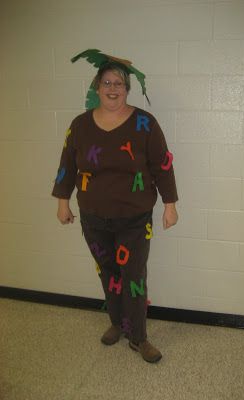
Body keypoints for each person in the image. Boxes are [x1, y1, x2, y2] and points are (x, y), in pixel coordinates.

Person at [52, 50, 178, 363]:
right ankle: (116, 323)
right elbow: (67, 164)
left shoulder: (145, 123)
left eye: (119, 83)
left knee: (133, 276)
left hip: (134, 219)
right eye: (107, 82)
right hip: (93, 218)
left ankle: (138, 337)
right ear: (97, 87)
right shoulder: (80, 125)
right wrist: (62, 202)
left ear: (127, 89)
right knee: (108, 273)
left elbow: (162, 164)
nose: (113, 88)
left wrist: (170, 204)